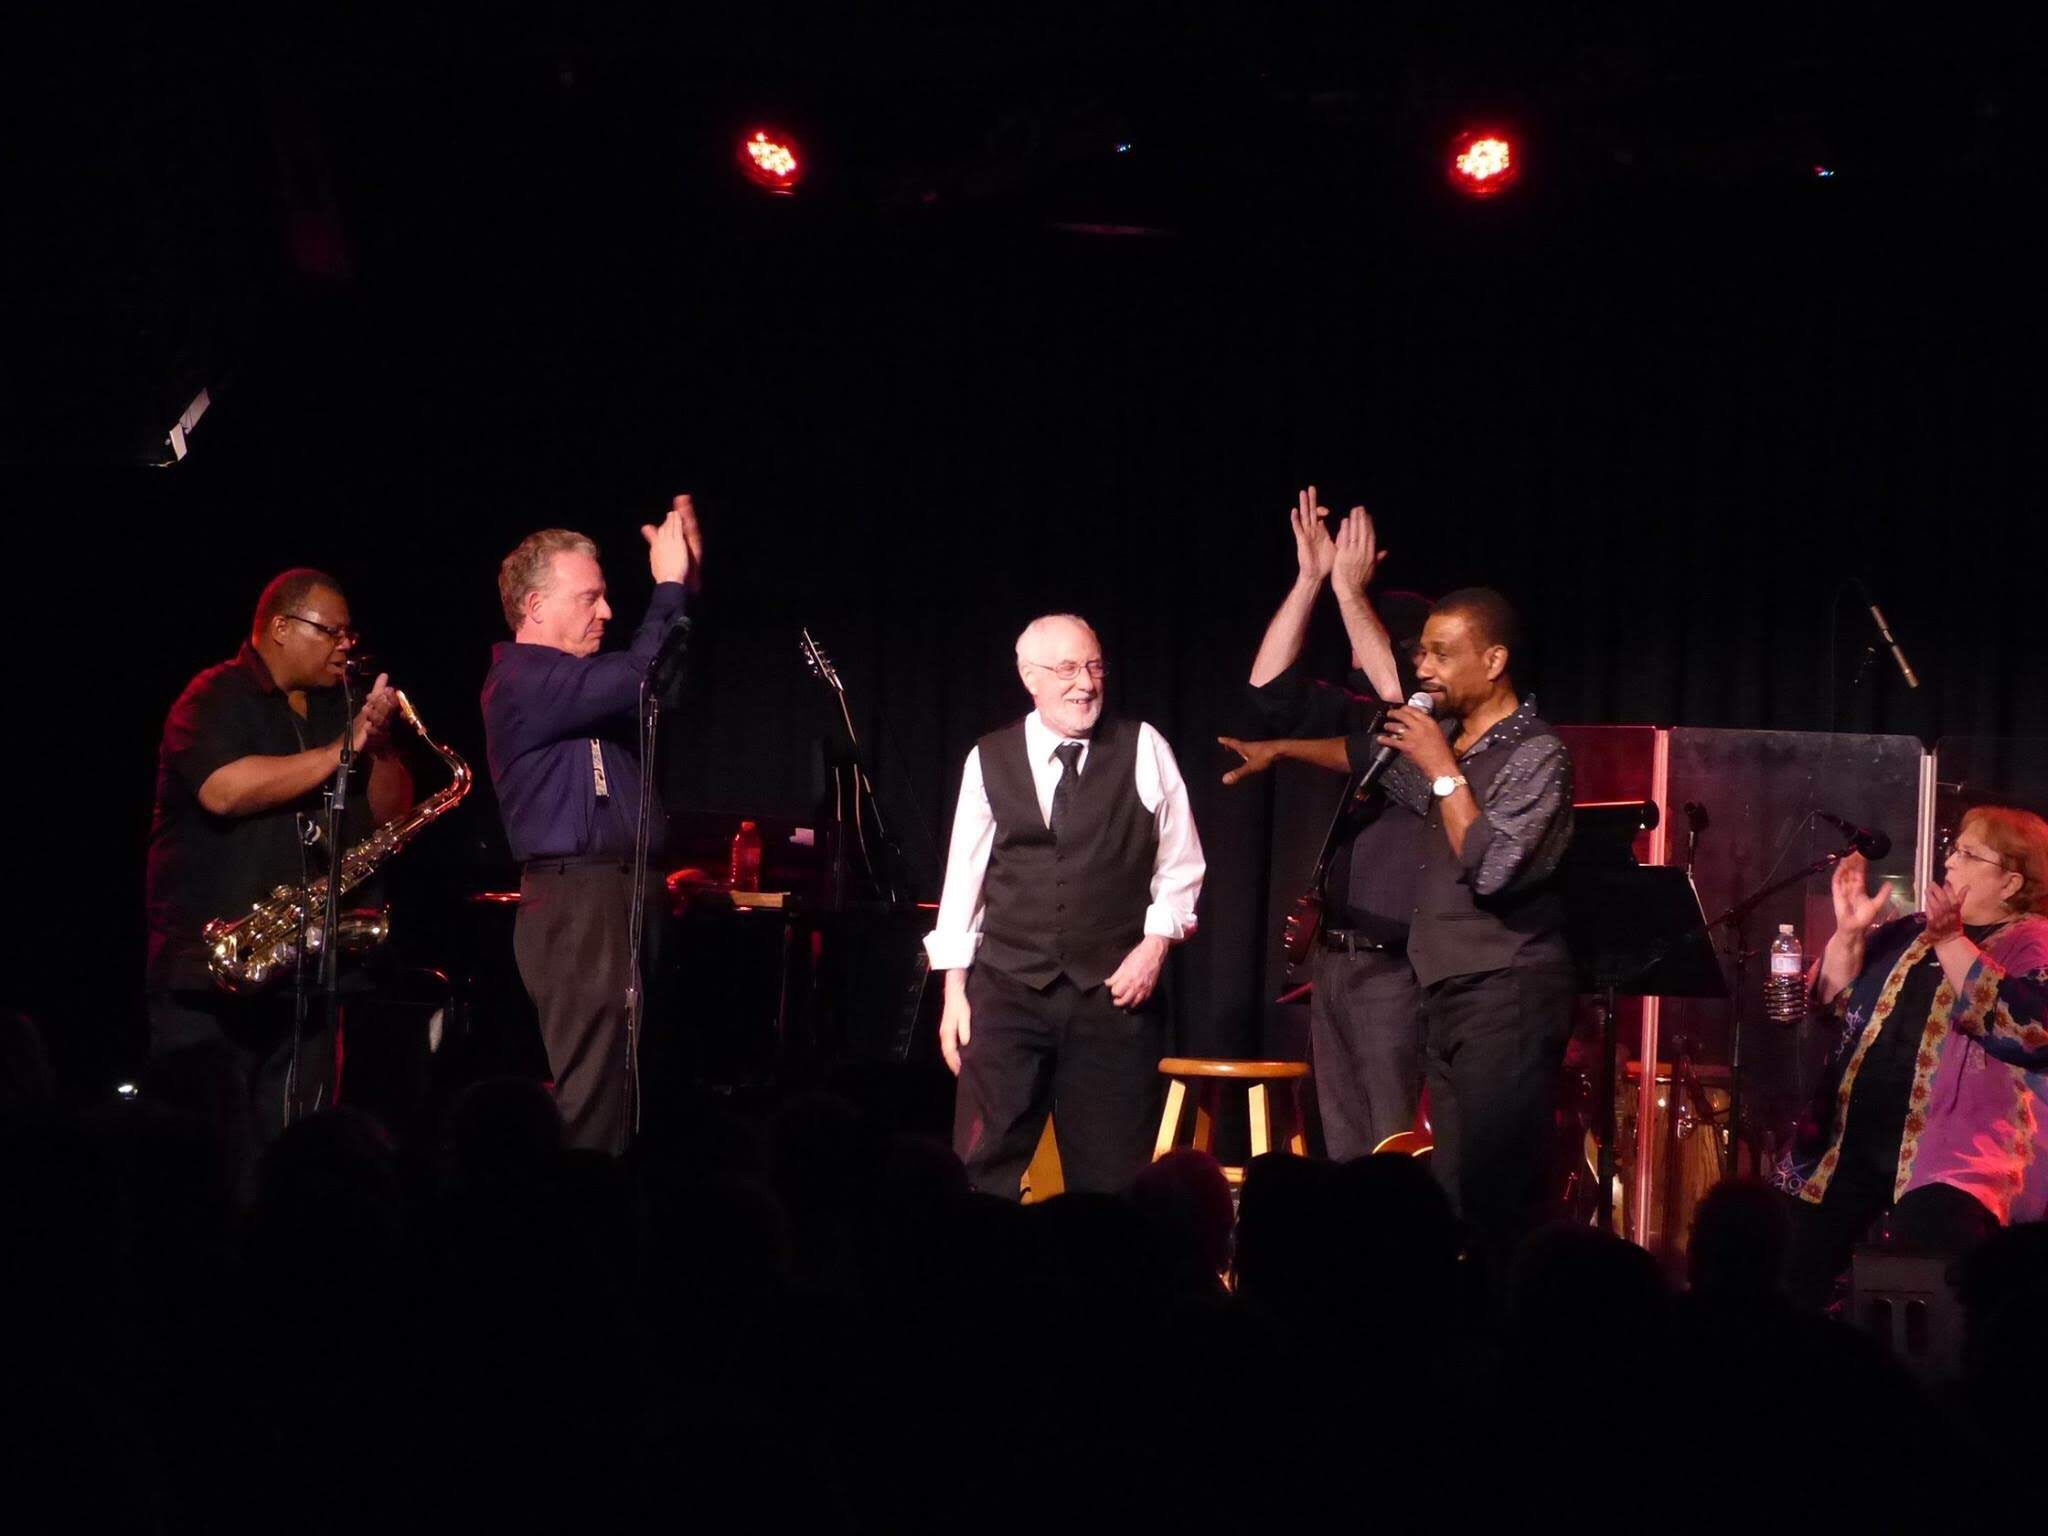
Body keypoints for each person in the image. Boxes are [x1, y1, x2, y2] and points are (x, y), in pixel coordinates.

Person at [927, 613, 1205, 1198]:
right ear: (1030, 676)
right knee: (981, 1167)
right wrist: (955, 991)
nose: (1086, 683)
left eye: (1095, 666)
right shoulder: (990, 757)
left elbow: (1182, 866)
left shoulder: (1142, 746)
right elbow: (965, 879)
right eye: (1067, 669)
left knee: (1112, 1182)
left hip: (1110, 996)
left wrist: (1154, 947)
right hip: (1007, 989)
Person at [145, 568, 410, 1147]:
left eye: (350, 634)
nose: (347, 645)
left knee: (302, 1149)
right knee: (205, 1152)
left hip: (306, 975)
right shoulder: (214, 695)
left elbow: (388, 817)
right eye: (331, 631)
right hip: (215, 976)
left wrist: (382, 744)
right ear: (282, 628)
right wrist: (344, 748)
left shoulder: (338, 707)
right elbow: (223, 790)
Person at [1217, 488, 1434, 1159]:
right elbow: (1267, 692)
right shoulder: (1362, 714)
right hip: (1338, 962)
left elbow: (1400, 688)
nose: (1358, 680)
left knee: (1390, 1152)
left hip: (1401, 972)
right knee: (1340, 1151)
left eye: (1367, 657)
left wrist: (1349, 592)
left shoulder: (1437, 730)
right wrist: (1312, 581)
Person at [480, 497, 700, 1154]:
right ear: (535, 607)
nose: (606, 612)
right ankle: (580, 1231)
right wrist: (665, 585)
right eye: (590, 598)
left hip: (626, 893)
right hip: (579, 902)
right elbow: (639, 677)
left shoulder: (587, 683)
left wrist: (685, 586)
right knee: (596, 1096)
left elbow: (662, 682)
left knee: (643, 1091)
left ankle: (627, 1229)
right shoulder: (519, 679)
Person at [1368, 588, 1575, 1266]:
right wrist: (1281, 746)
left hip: (1506, 995)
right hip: (1449, 991)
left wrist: (1441, 771)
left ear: (1494, 661)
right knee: (1453, 1192)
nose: (1424, 667)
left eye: (1441, 654)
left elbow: (1493, 870)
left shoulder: (1537, 756)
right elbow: (1354, 744)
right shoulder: (1455, 749)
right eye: (1421, 651)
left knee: (1497, 1198)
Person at [1772, 807, 2048, 1311]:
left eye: (1967, 853)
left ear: (2011, 881)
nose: (1950, 860)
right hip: (1849, 1145)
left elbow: (2027, 1029)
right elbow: (1832, 1000)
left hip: (1957, 1163)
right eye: (1954, 847)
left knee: (1926, 1276)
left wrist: (1950, 942)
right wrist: (1849, 933)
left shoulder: (2035, 943)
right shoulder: (1908, 932)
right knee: (1784, 1257)